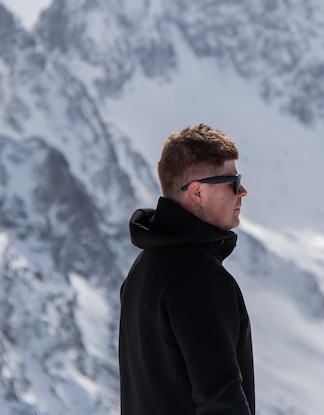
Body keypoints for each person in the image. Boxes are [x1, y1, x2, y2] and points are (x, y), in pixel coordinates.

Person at [119, 124, 254, 415]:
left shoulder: (145, 267)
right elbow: (221, 399)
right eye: (233, 181)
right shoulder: (199, 278)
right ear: (197, 192)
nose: (242, 191)